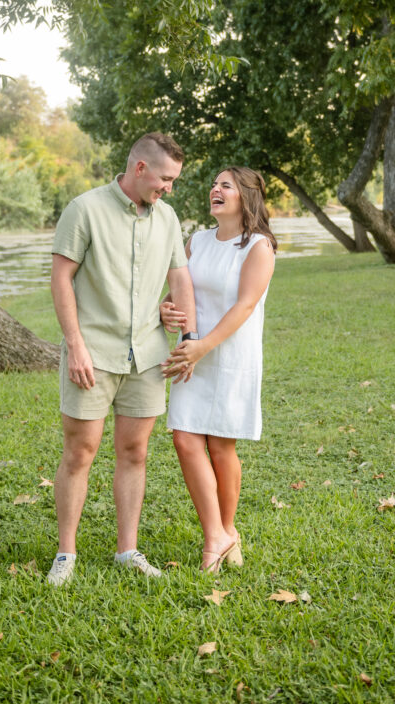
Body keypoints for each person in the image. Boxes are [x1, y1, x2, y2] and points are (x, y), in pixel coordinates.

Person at [47, 132, 197, 586]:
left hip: (148, 357)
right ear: (139, 169)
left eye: (173, 180)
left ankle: (126, 550)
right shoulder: (84, 209)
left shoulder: (167, 218)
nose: (169, 187)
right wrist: (74, 343)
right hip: (93, 354)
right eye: (165, 178)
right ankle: (66, 555)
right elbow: (60, 279)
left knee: (135, 452)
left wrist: (187, 333)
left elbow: (180, 278)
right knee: (80, 452)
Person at [161, 166, 276, 572]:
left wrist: (202, 347)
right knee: (184, 439)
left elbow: (244, 306)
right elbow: (181, 289)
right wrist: (166, 310)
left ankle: (226, 532)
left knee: (221, 446)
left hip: (229, 356)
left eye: (225, 185)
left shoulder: (258, 247)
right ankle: (217, 534)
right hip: (191, 350)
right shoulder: (197, 241)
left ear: (246, 195)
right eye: (214, 184)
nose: (215, 189)